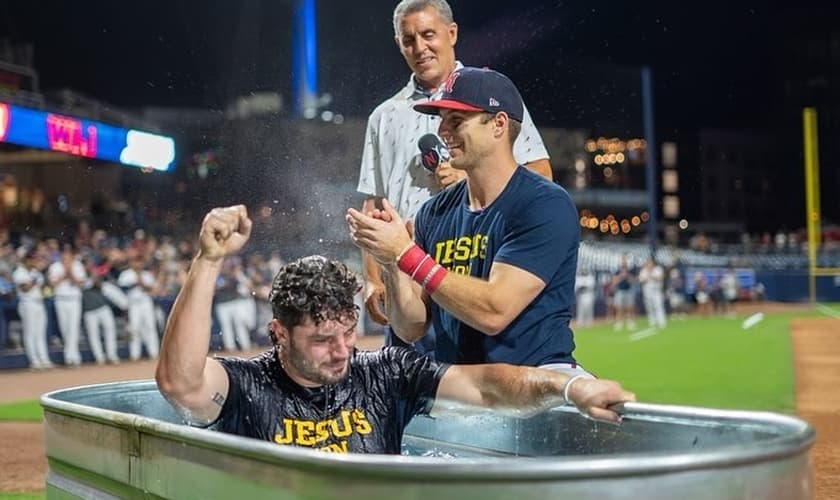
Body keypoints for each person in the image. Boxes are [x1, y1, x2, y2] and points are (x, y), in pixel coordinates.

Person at [156, 206, 634, 454]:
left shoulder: (384, 372)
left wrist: (568, 385)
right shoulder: (249, 386)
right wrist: (208, 260)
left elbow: (488, 387)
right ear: (278, 332)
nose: (342, 351)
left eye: (348, 332)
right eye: (322, 340)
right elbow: (180, 382)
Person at [348, 67, 584, 374]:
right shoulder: (434, 212)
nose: (443, 130)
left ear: (498, 124)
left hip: (535, 381)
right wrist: (391, 263)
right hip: (464, 387)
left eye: (457, 120)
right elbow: (412, 327)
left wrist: (407, 255)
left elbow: (495, 311)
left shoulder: (544, 203)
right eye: (442, 119)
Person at [357, 0, 553, 352]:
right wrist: (373, 280)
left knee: (481, 388)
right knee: (408, 396)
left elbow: (540, 176)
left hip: (472, 268)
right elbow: (375, 205)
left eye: (428, 34)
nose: (419, 47)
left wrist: (474, 183)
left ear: (452, 33)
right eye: (408, 39)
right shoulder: (383, 116)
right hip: (406, 284)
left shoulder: (490, 96)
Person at [12, 248, 53, 369]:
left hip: (39, 303)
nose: (34, 261)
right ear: (26, 260)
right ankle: (34, 361)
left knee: (40, 333)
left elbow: (44, 289)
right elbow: (25, 288)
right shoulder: (20, 272)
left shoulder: (36, 272)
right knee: (30, 333)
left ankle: (44, 360)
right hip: (27, 303)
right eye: (31, 259)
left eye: (34, 259)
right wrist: (35, 277)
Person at [47, 245, 87, 366]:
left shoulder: (78, 265)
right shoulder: (55, 266)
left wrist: (70, 273)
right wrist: (64, 273)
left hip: (74, 300)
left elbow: (81, 284)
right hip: (61, 299)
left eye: (68, 253)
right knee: (65, 328)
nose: (66, 255)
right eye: (64, 253)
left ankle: (72, 357)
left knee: (73, 328)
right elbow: (52, 284)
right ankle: (70, 355)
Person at [118, 256, 159, 360]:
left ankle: (154, 353)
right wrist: (134, 284)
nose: (137, 264)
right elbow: (122, 288)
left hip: (146, 302)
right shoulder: (126, 274)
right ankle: (134, 355)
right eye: (135, 262)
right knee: (134, 329)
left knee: (150, 327)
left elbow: (152, 289)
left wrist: (141, 283)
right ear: (131, 263)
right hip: (133, 304)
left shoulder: (146, 274)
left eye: (139, 262)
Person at [638, 257, 666, 329]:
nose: (649, 264)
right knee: (649, 307)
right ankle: (652, 321)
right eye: (648, 263)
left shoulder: (658, 269)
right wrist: (647, 277)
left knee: (658, 305)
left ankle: (661, 321)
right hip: (647, 291)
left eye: (650, 262)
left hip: (656, 290)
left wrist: (652, 276)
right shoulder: (643, 271)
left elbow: (660, 278)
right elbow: (641, 280)